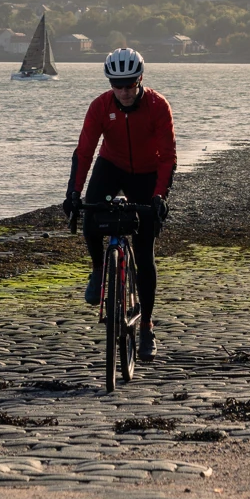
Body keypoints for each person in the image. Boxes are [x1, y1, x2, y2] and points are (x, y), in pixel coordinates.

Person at [62, 47, 176, 360]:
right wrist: (73, 192)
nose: (124, 91)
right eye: (118, 85)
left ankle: (147, 327)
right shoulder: (100, 106)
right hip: (111, 165)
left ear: (140, 80)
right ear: (111, 83)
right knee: (90, 216)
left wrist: (159, 197)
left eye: (130, 84)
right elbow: (84, 152)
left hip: (147, 172)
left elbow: (168, 157)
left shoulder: (157, 106)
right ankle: (99, 268)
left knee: (144, 252)